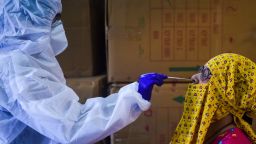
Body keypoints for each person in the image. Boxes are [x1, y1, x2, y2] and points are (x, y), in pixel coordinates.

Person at [0, 1, 167, 144]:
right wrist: (133, 96)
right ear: (26, 21)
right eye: (53, 18)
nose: (58, 25)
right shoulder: (17, 69)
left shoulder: (25, 59)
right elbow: (72, 125)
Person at [170, 53, 255, 144]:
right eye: (201, 71)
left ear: (227, 98)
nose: (194, 77)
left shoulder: (234, 142)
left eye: (205, 74)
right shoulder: (216, 136)